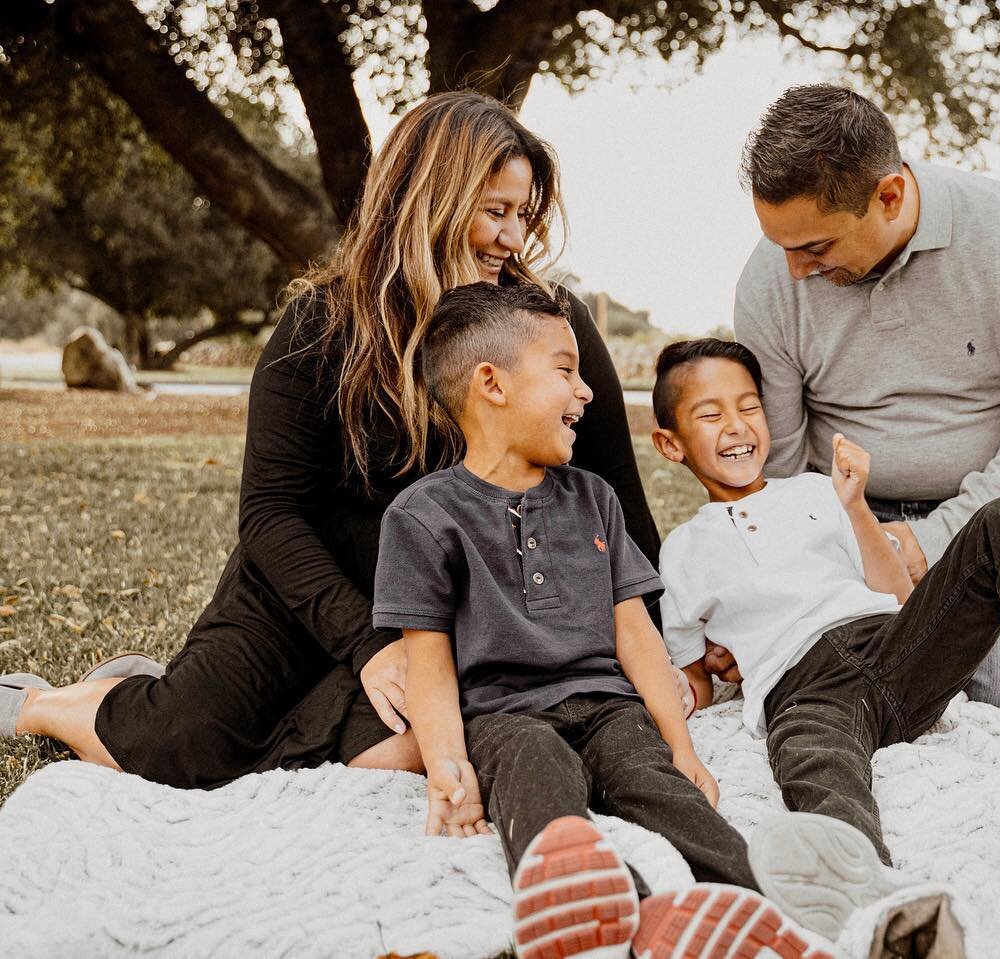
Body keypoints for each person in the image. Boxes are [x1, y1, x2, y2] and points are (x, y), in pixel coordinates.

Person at [0, 91, 667, 790]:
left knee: (410, 747)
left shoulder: (553, 332)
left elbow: (617, 506)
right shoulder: (321, 326)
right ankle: (57, 704)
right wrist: (367, 645)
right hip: (313, 584)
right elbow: (270, 513)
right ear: (424, 202)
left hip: (458, 603)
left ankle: (305, 719)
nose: (512, 239)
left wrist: (656, 650)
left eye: (523, 216)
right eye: (494, 212)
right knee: (183, 744)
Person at [649, 339, 1000, 935]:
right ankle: (875, 900)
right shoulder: (683, 552)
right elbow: (693, 672)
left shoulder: (817, 492)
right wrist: (683, 694)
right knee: (817, 766)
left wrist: (856, 508)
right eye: (710, 415)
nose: (738, 427)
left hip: (894, 646)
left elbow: (899, 594)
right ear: (670, 443)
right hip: (803, 691)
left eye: (749, 407)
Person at [376, 283, 836, 959]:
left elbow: (635, 633)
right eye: (565, 370)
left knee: (660, 786)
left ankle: (761, 916)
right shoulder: (422, 515)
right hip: (505, 715)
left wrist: (681, 746)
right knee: (540, 783)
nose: (586, 390)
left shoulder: (594, 498)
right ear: (491, 384)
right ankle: (605, 910)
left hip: (609, 707)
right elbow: (430, 662)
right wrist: (449, 766)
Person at [713, 84, 1000, 711]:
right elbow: (777, 460)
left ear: (889, 196)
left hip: (982, 520)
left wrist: (935, 538)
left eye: (815, 248)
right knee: (819, 701)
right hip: (835, 521)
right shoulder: (769, 281)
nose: (794, 272)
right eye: (781, 247)